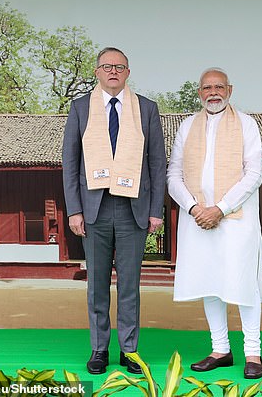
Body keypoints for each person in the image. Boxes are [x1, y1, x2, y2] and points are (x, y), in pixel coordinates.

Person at [63, 47, 166, 375]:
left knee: (130, 285)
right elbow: (70, 163)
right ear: (97, 72)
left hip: (133, 208)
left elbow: (157, 163)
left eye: (119, 67)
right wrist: (73, 209)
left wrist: (156, 210)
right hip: (93, 209)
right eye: (107, 66)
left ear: (127, 72)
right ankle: (98, 349)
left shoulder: (146, 109)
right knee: (96, 284)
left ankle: (130, 350)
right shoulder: (80, 108)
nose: (113, 71)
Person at [167, 67, 262, 380]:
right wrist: (195, 207)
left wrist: (220, 208)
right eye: (207, 87)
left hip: (237, 219)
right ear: (199, 92)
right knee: (209, 282)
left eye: (219, 87)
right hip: (197, 219)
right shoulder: (187, 126)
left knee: (243, 284)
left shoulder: (247, 124)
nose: (213, 92)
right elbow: (173, 175)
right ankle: (221, 349)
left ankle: (253, 352)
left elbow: (254, 174)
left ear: (230, 89)